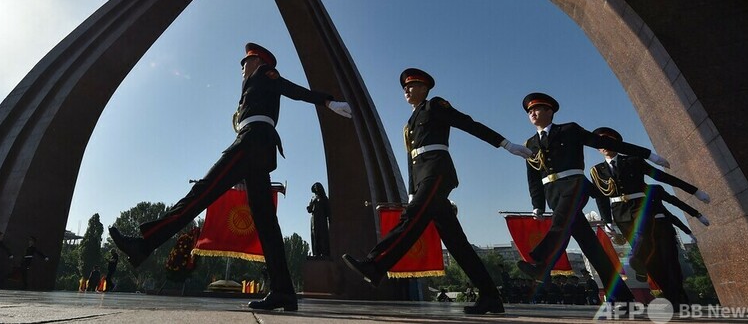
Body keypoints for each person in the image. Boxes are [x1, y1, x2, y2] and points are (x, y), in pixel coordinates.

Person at [109, 43, 352, 312]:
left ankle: (145, 244)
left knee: (201, 193)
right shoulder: (251, 87)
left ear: (259, 62)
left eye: (245, 62)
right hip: (254, 149)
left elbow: (292, 90)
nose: (241, 66)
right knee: (266, 223)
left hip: (251, 143)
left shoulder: (264, 74)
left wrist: (327, 101)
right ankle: (283, 291)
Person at [342, 68, 532, 315]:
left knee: (412, 218)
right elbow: (411, 158)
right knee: (457, 243)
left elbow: (468, 123)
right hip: (423, 177)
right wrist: (412, 191)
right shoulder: (409, 124)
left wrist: (505, 144)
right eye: (405, 87)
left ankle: (375, 264)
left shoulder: (435, 106)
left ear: (424, 88)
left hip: (437, 171)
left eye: (412, 85)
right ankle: (490, 296)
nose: (406, 90)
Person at [516, 93, 670, 304]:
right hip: (553, 194)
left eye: (536, 109)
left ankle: (541, 263)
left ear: (549, 111)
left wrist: (648, 154)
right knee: (591, 246)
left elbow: (602, 141)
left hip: (575, 185)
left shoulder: (569, 130)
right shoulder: (530, 143)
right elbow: (533, 177)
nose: (532, 113)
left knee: (560, 223)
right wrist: (537, 205)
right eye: (529, 111)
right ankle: (622, 297)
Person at [588, 126, 710, 303]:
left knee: (644, 241)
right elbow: (601, 197)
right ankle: (673, 296)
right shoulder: (596, 170)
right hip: (620, 214)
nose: (604, 145)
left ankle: (635, 259)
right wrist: (607, 221)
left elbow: (661, 177)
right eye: (600, 142)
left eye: (607, 139)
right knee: (650, 260)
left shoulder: (633, 160)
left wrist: (694, 191)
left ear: (617, 142)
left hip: (641, 207)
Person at [306, 182, 331, 257]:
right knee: (315, 236)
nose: (316, 190)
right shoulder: (313, 198)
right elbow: (309, 210)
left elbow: (328, 210)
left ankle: (324, 253)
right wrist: (310, 205)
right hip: (314, 220)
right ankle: (316, 253)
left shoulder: (324, 199)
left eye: (317, 188)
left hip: (322, 220)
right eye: (315, 188)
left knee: (323, 236)